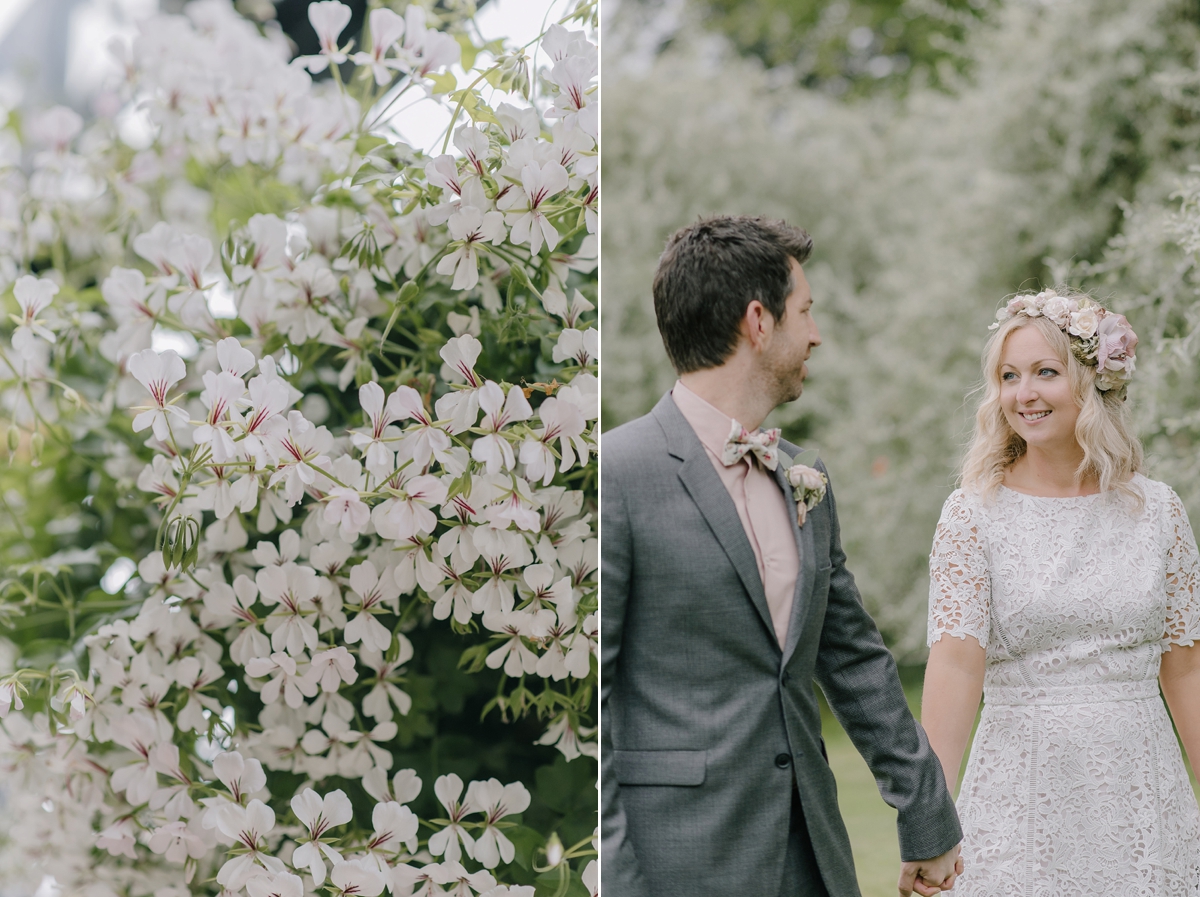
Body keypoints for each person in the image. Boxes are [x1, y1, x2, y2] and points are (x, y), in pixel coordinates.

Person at [602, 215, 964, 897]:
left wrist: (927, 814)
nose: (816, 335)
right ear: (758, 321)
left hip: (813, 859)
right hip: (676, 863)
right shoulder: (616, 475)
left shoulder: (804, 478)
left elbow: (854, 658)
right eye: (806, 312)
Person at [922, 288, 1200, 894]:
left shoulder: (1159, 511)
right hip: (1021, 793)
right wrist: (929, 821)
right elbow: (955, 669)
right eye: (1009, 376)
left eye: (1045, 372)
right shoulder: (972, 515)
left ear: (1091, 382)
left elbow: (1185, 672)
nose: (1024, 394)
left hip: (1143, 793)